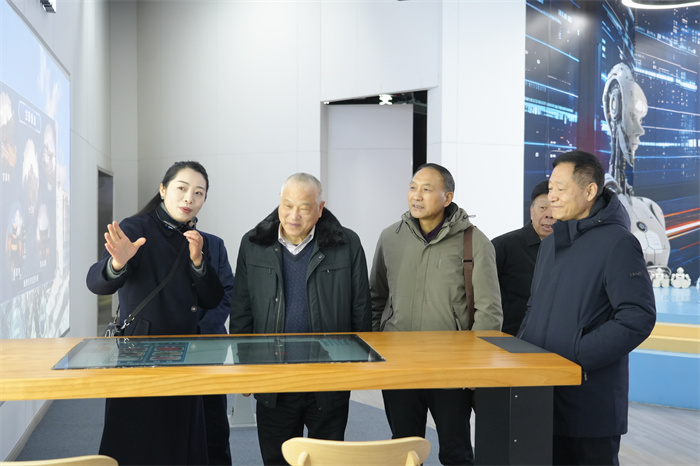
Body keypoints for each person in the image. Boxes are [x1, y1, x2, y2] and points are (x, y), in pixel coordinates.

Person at [517, 150, 656, 465]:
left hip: (589, 404)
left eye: (560, 189)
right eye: (550, 188)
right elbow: (534, 307)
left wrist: (575, 355)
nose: (552, 196)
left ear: (590, 190)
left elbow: (637, 317)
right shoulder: (551, 243)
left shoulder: (618, 243)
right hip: (541, 395)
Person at [86, 161, 224, 466]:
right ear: (163, 190)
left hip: (185, 355)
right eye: (182, 188)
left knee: (180, 443)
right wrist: (117, 263)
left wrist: (198, 262)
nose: (189, 198)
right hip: (141, 354)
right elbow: (95, 282)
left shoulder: (196, 238)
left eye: (198, 193)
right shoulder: (136, 228)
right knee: (138, 444)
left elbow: (213, 299)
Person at [229, 173, 372, 466]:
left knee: (327, 459)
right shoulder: (253, 243)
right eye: (287, 205)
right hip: (274, 378)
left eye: (304, 208)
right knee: (277, 458)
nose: (294, 215)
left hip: (328, 377)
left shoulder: (346, 243)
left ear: (320, 209)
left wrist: (358, 368)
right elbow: (242, 310)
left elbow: (360, 308)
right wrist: (244, 370)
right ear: (279, 202)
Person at [370, 163, 502, 465]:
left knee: (456, 450)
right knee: (404, 449)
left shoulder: (474, 241)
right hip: (399, 364)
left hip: (451, 367)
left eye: (426, 189)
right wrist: (378, 346)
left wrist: (474, 367)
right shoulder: (390, 237)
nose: (416, 196)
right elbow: (376, 296)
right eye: (413, 188)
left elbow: (489, 311)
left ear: (447, 197)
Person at [491, 180, 554, 335]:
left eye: (555, 208)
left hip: (553, 338)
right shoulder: (503, 245)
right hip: (510, 337)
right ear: (532, 211)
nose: (549, 214)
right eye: (543, 207)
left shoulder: (572, 250)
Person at [197, 231, 234, 466]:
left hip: (210, 348)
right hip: (166, 353)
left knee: (215, 427)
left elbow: (227, 291)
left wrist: (200, 333)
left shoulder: (214, 244)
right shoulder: (146, 239)